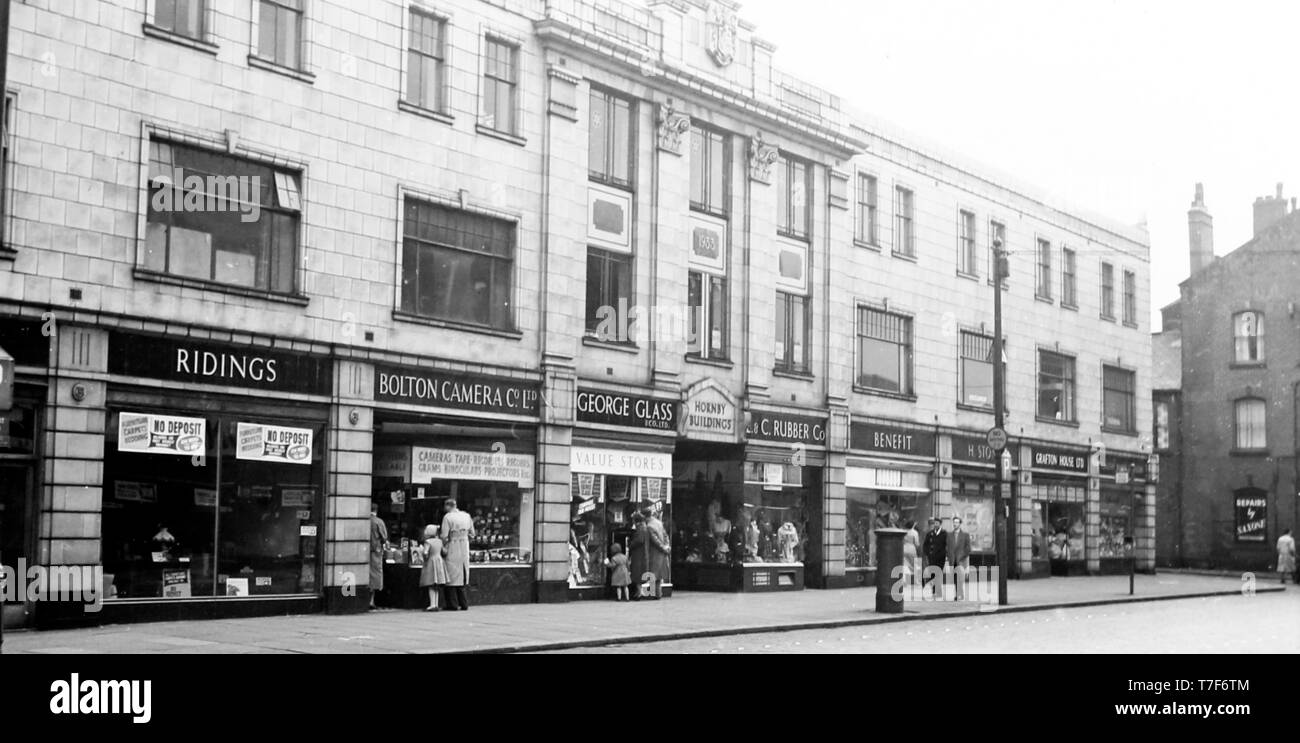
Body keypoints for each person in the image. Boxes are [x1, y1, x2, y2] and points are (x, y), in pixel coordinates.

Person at [440, 498, 475, 611]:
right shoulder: (466, 516)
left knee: (451, 576)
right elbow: (472, 534)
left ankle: (452, 604)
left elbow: (444, 535)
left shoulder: (448, 517)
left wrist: (443, 544)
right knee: (462, 576)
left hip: (452, 546)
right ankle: (464, 603)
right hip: (464, 546)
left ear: (448, 506)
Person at [419, 524, 449, 611]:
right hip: (439, 561)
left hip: (431, 562)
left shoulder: (428, 542)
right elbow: (444, 551)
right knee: (436, 586)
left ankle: (432, 605)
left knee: (431, 585)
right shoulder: (439, 541)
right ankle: (436, 604)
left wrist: (422, 552)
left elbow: (425, 553)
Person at [947, 516, 972, 600]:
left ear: (960, 524)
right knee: (955, 578)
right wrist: (949, 556)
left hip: (961, 560)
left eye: (957, 522)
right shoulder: (949, 535)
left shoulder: (965, 535)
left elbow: (968, 549)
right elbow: (947, 547)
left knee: (960, 578)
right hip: (952, 560)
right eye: (954, 522)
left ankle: (959, 594)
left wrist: (962, 556)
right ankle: (959, 594)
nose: (955, 524)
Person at [369, 504, 388, 610]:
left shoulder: (365, 521)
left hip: (365, 551)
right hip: (376, 551)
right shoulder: (378, 522)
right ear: (376, 510)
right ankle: (371, 601)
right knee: (375, 575)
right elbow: (384, 537)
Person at [922, 517, 946, 595]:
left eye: (937, 523)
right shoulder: (930, 534)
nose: (935, 524)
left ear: (940, 524)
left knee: (939, 572)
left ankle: (937, 588)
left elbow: (947, 545)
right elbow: (925, 545)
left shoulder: (944, 533)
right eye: (934, 523)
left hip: (941, 557)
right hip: (932, 557)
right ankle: (934, 589)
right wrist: (927, 553)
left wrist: (946, 553)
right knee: (933, 572)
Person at [902, 520, 921, 586]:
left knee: (904, 565)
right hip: (912, 549)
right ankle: (916, 581)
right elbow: (916, 543)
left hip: (904, 549)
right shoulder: (915, 533)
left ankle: (904, 580)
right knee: (915, 565)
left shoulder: (903, 531)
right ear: (913, 525)